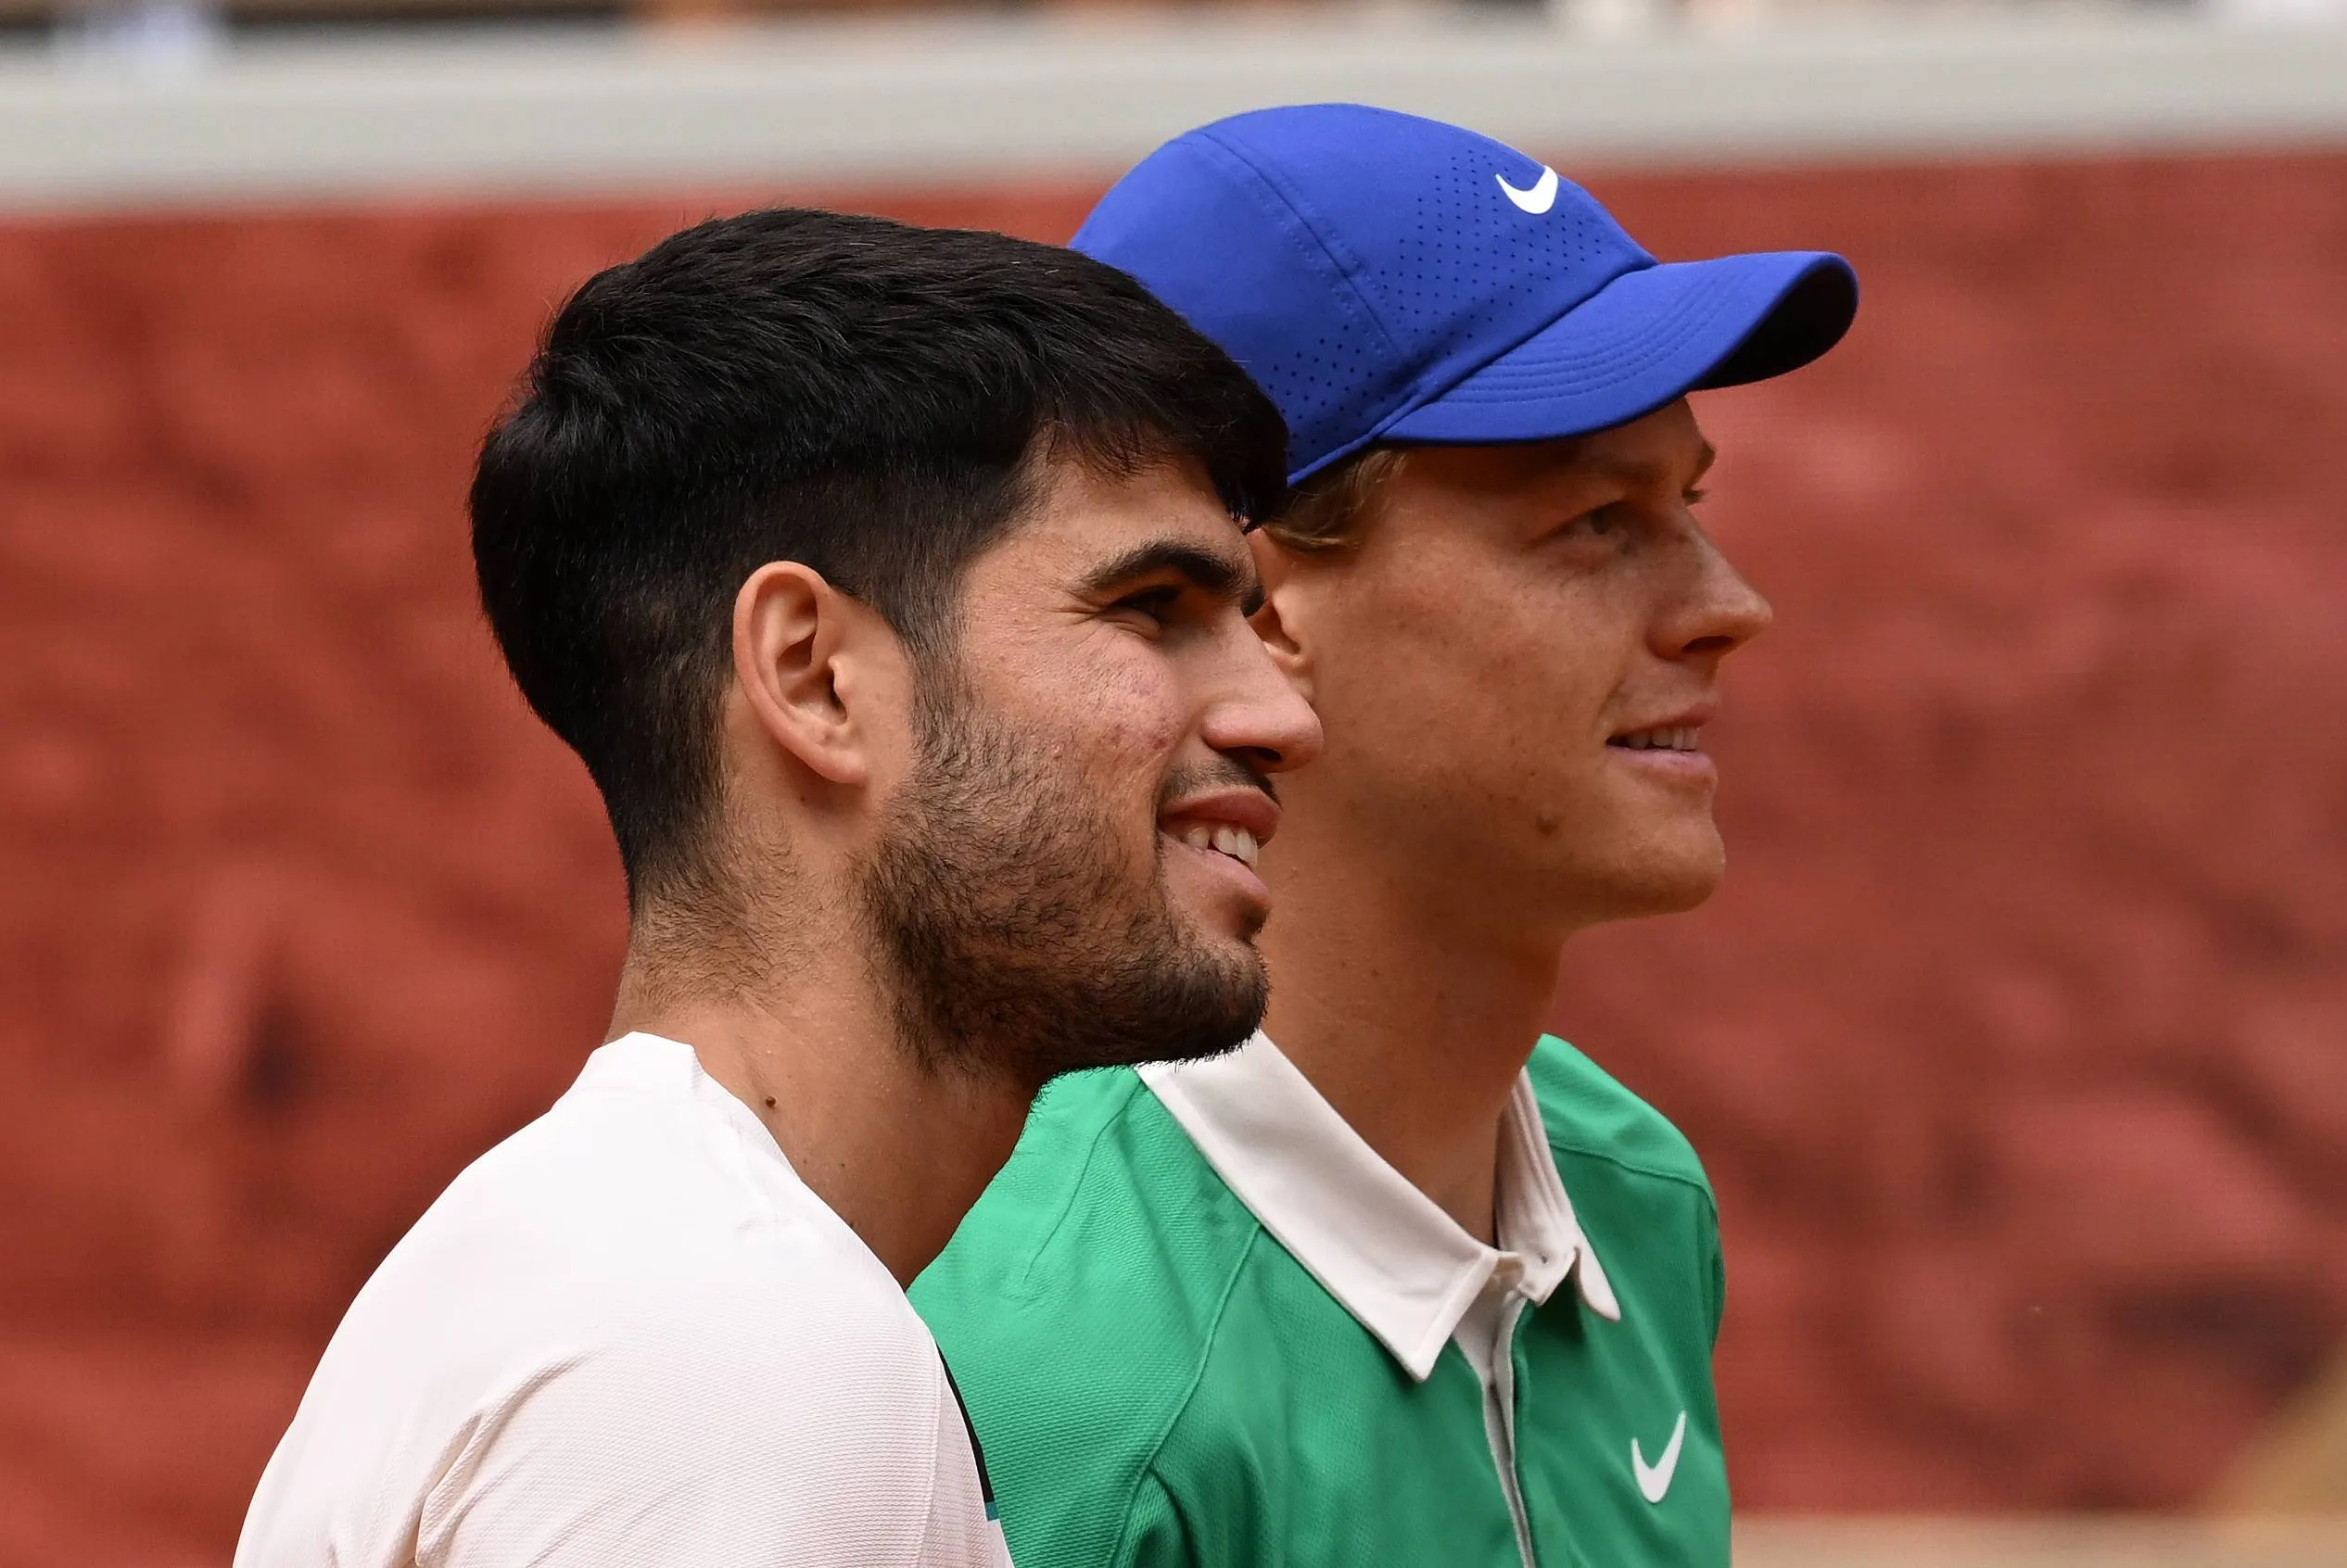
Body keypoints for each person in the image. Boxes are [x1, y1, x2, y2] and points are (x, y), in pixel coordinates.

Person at [235, 207, 1322, 1567]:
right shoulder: (739, 1355)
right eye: (1151, 606)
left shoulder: (637, 1275)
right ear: (815, 678)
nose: (1281, 713)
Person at [915, 106, 1859, 1568]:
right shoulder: (1044, 1376)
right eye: (1596, 522)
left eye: (1688, 501)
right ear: (1252, 607)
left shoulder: (1632, 1188)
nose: (1729, 607)